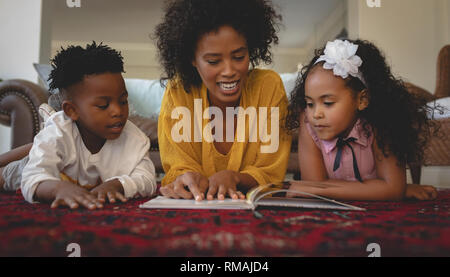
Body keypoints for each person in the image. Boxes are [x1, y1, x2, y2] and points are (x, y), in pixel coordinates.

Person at [155, 0, 291, 201]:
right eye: (213, 61)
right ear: (192, 59)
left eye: (239, 56)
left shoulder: (268, 87)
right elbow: (178, 168)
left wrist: (235, 177)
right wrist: (186, 179)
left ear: (250, 49)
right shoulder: (178, 92)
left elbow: (271, 172)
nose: (229, 71)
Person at [0, 42, 157, 209]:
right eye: (103, 105)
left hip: (58, 149)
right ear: (72, 110)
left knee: (44, 145)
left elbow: (147, 180)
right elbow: (32, 177)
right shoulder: (59, 133)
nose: (118, 111)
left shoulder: (136, 139)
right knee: (9, 174)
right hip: (33, 167)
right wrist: (57, 188)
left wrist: (118, 184)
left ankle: (36, 147)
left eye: (123, 101)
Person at [285, 39, 438, 201]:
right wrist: (383, 189)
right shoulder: (308, 123)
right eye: (310, 103)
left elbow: (316, 189)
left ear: (362, 100)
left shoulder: (381, 121)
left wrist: (392, 189)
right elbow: (313, 184)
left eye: (328, 103)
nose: (316, 114)